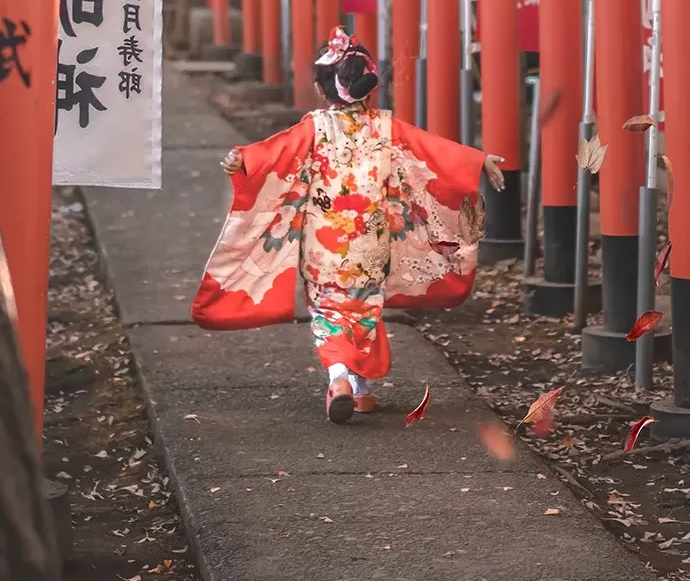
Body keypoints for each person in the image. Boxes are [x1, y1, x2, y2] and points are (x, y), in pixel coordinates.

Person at [192, 27, 504, 424]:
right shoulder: (388, 129)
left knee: (328, 310)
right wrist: (478, 161)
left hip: (324, 242)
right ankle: (362, 390)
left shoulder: (315, 128)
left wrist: (241, 161)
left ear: (324, 90)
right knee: (363, 308)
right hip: (372, 243)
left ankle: (339, 377)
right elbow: (434, 152)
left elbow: (276, 154)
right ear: (368, 88)